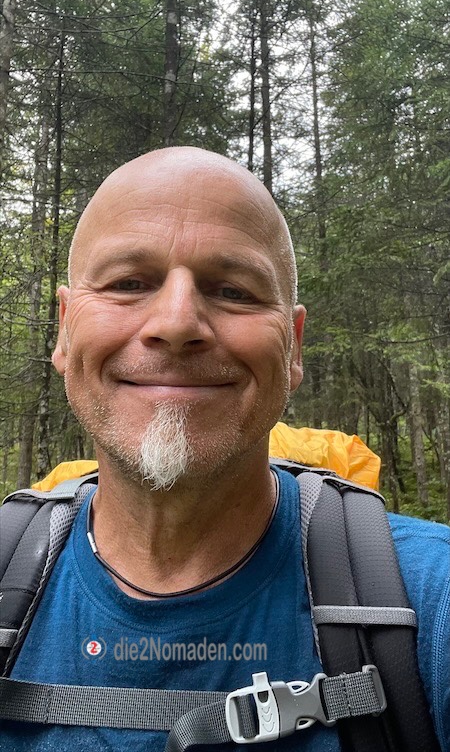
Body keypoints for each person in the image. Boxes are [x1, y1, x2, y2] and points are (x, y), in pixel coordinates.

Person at [1, 147, 449, 752]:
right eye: (128, 283)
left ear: (292, 348)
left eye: (233, 291)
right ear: (64, 329)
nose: (176, 323)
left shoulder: (430, 603)